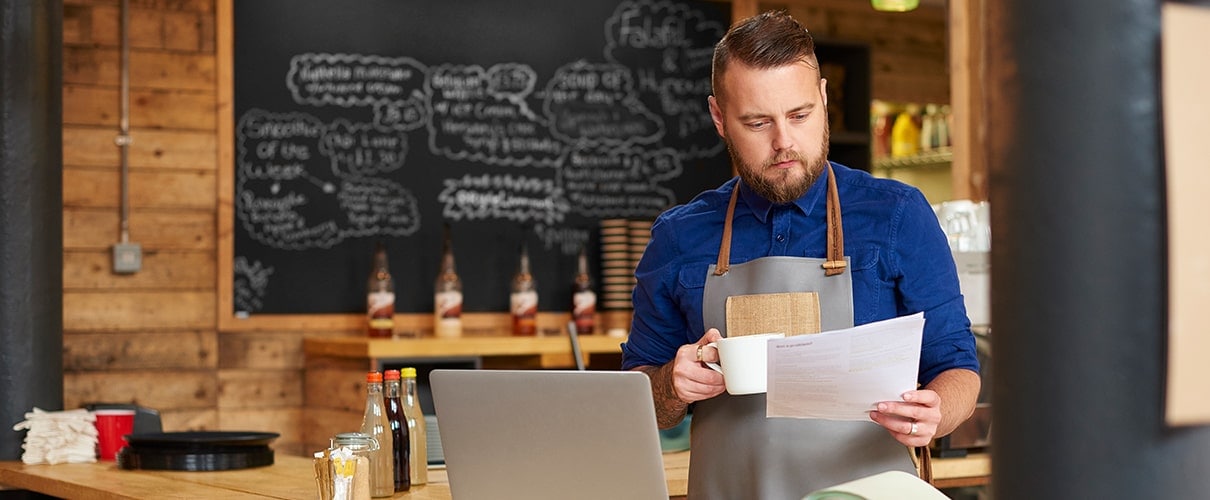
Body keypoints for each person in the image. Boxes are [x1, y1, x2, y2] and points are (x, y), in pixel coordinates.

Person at [620, 10, 981, 499]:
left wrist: (935, 411)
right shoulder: (679, 237)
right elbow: (640, 405)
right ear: (720, 118)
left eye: (800, 115)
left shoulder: (897, 215)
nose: (783, 142)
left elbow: (958, 368)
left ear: (825, 99)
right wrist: (670, 384)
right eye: (757, 122)